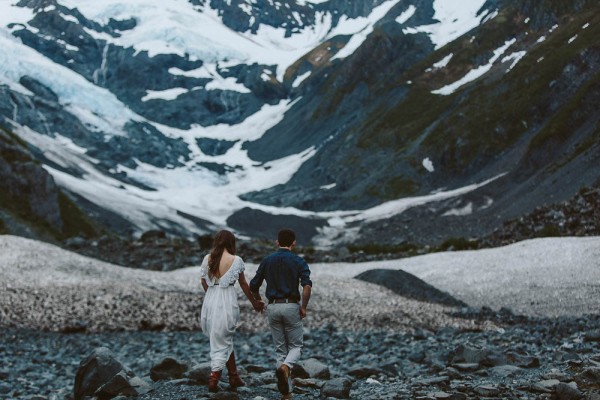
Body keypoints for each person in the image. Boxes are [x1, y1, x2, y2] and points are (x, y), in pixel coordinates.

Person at [249, 228, 312, 400]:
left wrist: (258, 300)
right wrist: (304, 307)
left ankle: (286, 393)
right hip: (291, 305)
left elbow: (253, 285)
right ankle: (285, 368)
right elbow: (306, 286)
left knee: (280, 351)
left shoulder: (267, 260)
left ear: (277, 242)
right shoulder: (299, 261)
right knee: (296, 347)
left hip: (273, 307)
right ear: (294, 243)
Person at [200, 230, 264, 392]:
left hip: (211, 299)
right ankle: (214, 378)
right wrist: (255, 302)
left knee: (222, 338)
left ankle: (234, 376)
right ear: (231, 243)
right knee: (224, 338)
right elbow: (243, 284)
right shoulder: (236, 260)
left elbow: (203, 281)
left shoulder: (208, 259)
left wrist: (211, 295)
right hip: (226, 299)